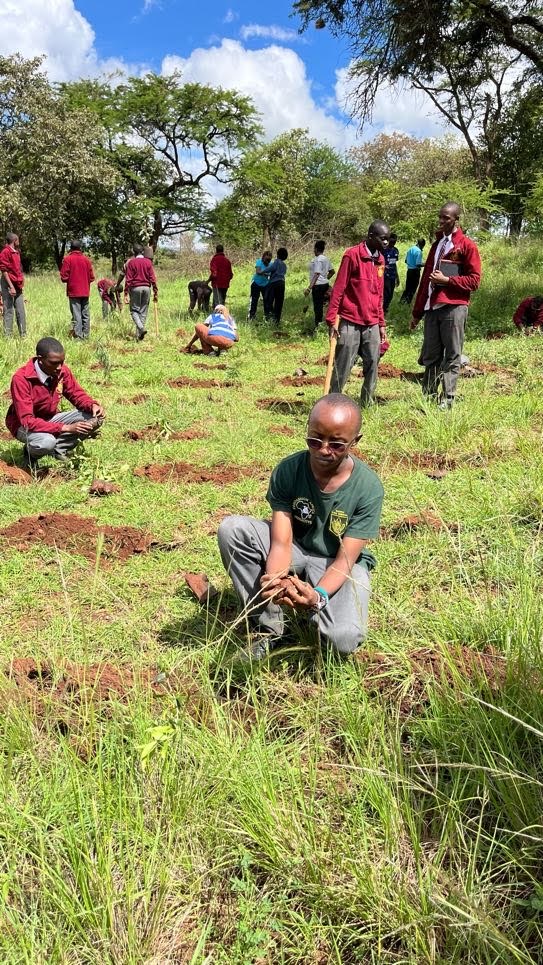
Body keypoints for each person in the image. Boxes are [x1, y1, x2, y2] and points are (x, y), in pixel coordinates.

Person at [218, 393, 384, 661]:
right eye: (314, 439)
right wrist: (275, 582)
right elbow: (282, 541)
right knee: (233, 530)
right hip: (297, 547)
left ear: (355, 441)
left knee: (343, 639)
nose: (323, 450)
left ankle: (314, 615)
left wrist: (317, 597)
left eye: (337, 444)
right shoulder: (289, 470)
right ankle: (271, 629)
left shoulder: (368, 488)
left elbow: (345, 560)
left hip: (337, 560)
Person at [410, 202, 481, 409]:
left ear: (456, 219)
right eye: (440, 217)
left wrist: (448, 281)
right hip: (432, 308)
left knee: (452, 354)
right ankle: (428, 396)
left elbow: (474, 281)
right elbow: (425, 280)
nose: (441, 221)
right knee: (431, 355)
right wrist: (417, 312)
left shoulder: (467, 246)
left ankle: (447, 398)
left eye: (446, 218)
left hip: (454, 307)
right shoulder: (437, 245)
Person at [6, 336, 105, 468]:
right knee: (47, 441)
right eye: (54, 362)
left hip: (50, 418)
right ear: (40, 360)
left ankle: (58, 449)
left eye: (62, 362)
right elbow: (27, 421)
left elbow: (76, 394)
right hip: (23, 426)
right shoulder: (22, 379)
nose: (59, 367)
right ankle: (30, 454)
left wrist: (92, 405)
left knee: (94, 418)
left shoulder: (61, 371)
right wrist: (65, 428)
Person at [325, 221, 389, 407]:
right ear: (370, 236)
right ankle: (333, 404)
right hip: (350, 321)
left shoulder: (380, 260)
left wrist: (381, 323)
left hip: (372, 323)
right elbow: (338, 288)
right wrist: (331, 319)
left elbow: (379, 293)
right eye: (382, 238)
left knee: (373, 363)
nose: (386, 242)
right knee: (343, 366)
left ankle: (366, 403)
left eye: (387, 239)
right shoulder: (352, 256)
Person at [116, 244, 158, 341]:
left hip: (135, 288)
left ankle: (141, 329)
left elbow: (128, 279)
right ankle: (139, 336)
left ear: (134, 253)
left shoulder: (131, 263)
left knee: (134, 311)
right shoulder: (148, 262)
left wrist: (126, 293)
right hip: (147, 288)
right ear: (142, 252)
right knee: (143, 312)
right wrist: (155, 291)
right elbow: (153, 278)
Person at [59, 241, 95, 339]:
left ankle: (78, 337)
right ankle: (86, 335)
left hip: (74, 291)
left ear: (71, 248)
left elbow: (63, 277)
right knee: (85, 314)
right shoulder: (86, 260)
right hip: (85, 291)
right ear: (80, 248)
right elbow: (92, 277)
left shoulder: (68, 259)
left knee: (76, 314)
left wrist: (71, 279)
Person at [304, 240, 335, 330]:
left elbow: (317, 274)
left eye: (314, 249)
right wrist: (325, 279)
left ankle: (318, 327)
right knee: (324, 305)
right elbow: (332, 272)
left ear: (316, 249)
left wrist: (309, 288)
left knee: (318, 307)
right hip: (325, 285)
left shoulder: (317, 259)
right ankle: (325, 324)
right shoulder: (326, 259)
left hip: (317, 286)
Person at [0, 232, 26, 337]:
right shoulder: (5, 252)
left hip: (17, 284)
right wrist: (11, 286)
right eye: (18, 239)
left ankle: (23, 334)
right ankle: (8, 335)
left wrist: (21, 282)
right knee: (8, 309)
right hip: (8, 284)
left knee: (20, 310)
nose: (19, 241)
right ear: (15, 240)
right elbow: (4, 270)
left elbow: (18, 269)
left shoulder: (17, 252)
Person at [263, 247, 288, 325]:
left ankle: (270, 316)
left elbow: (272, 268)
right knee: (279, 302)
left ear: (277, 255)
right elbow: (278, 272)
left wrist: (263, 271)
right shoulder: (284, 265)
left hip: (274, 283)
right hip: (282, 283)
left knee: (268, 299)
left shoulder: (277, 262)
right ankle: (277, 320)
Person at [400, 238, 426, 305]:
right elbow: (418, 264)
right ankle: (408, 303)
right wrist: (426, 264)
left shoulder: (410, 249)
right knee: (413, 288)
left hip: (409, 271)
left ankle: (401, 301)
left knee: (408, 287)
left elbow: (406, 261)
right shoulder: (419, 251)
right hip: (415, 272)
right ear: (422, 244)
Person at [248, 250, 272, 320]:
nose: (267, 261)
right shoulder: (259, 261)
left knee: (266, 301)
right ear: (263, 257)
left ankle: (267, 317)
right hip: (256, 283)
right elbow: (258, 271)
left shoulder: (271, 264)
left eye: (269, 259)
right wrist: (266, 273)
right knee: (254, 300)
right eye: (266, 259)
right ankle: (251, 316)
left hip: (266, 284)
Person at [383, 232, 399, 313]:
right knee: (386, 294)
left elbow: (394, 264)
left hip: (392, 276)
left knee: (390, 295)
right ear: (389, 240)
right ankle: (383, 311)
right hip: (385, 276)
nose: (393, 243)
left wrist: (397, 277)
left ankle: (386, 308)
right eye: (392, 241)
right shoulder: (383, 250)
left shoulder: (396, 251)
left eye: (395, 242)